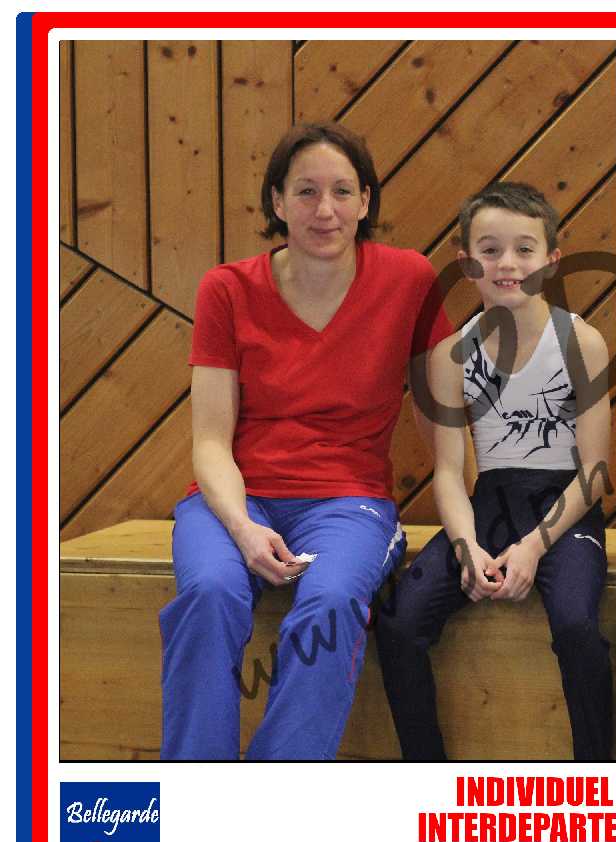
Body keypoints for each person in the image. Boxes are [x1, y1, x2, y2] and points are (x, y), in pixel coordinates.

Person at [158, 122, 453, 760]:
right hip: (238, 498)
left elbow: (443, 419)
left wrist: (475, 521)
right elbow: (210, 442)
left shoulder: (409, 279)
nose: (325, 210)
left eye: (343, 191)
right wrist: (242, 529)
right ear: (277, 201)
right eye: (306, 191)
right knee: (209, 593)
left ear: (366, 201)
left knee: (332, 602)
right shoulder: (226, 289)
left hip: (348, 501)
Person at [374, 182, 614, 760]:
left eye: (524, 249)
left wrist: (533, 547)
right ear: (466, 263)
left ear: (551, 260)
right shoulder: (450, 357)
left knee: (577, 625)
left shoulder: (580, 342)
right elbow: (449, 473)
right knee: (400, 624)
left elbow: (595, 473)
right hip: (487, 504)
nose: (507, 263)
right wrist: (465, 546)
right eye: (490, 250)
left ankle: (596, 774)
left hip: (563, 507)